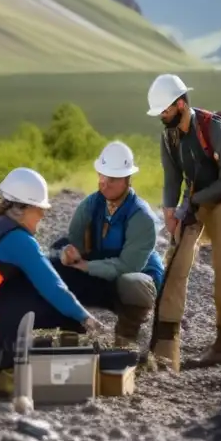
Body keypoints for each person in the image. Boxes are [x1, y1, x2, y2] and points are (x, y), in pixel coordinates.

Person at [0, 167, 103, 400]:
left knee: (22, 284)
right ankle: (3, 370)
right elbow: (52, 285)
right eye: (39, 210)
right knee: (45, 299)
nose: (42, 217)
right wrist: (84, 318)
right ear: (21, 208)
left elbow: (34, 261)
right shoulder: (18, 240)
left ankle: (0, 370)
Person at [146, 74, 221, 372]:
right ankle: (166, 350)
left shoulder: (215, 129)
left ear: (181, 104)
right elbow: (172, 176)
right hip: (197, 198)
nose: (162, 116)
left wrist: (194, 202)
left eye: (165, 110)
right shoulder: (169, 135)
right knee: (175, 264)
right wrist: (170, 210)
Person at [48, 141, 164, 348]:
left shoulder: (141, 216)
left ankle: (126, 340)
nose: (104, 183)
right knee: (55, 266)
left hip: (134, 277)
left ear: (128, 179)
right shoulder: (89, 205)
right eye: (102, 175)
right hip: (101, 271)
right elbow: (71, 243)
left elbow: (129, 265)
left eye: (112, 178)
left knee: (131, 281)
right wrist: (67, 253)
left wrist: (86, 266)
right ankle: (71, 332)